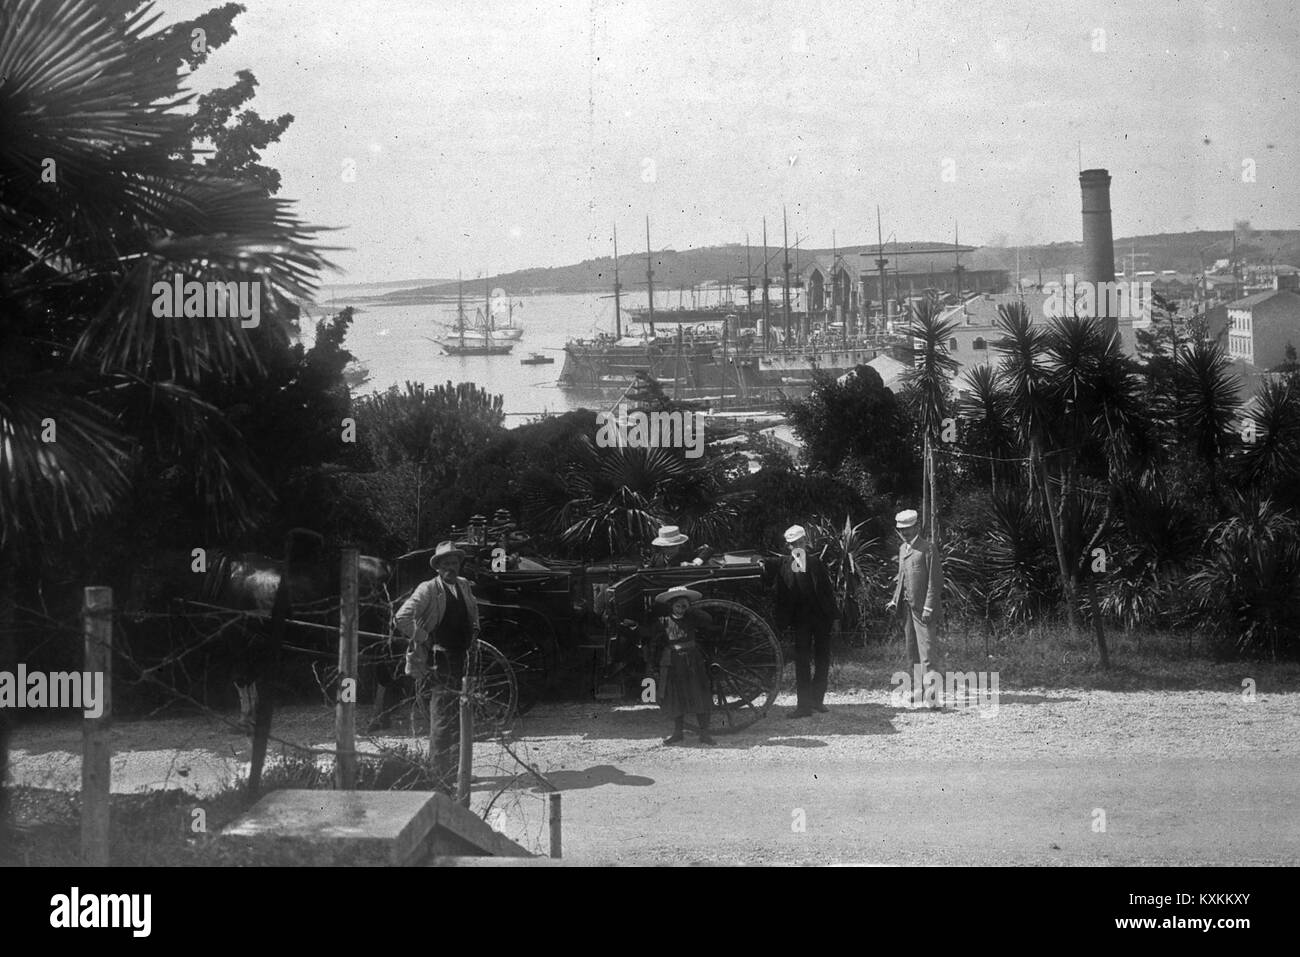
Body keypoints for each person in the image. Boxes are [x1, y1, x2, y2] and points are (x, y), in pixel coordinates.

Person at [394, 540, 480, 792]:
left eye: (454, 563)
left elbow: (473, 612)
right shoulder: (429, 589)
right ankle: (437, 776)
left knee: (458, 715)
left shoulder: (463, 585)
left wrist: (474, 632)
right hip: (438, 659)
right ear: (438, 567)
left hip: (461, 657)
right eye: (445, 564)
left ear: (459, 565)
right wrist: (424, 637)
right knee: (442, 716)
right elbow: (401, 617)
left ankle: (455, 771)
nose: (450, 568)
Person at [771, 524, 838, 718]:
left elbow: (827, 592)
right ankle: (803, 706)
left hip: (821, 618)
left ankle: (818, 700)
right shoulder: (783, 564)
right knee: (802, 661)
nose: (797, 547)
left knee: (823, 659)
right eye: (793, 544)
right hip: (800, 620)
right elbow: (767, 566)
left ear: (806, 543)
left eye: (800, 542)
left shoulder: (816, 563)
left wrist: (834, 618)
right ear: (788, 546)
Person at [885, 509, 943, 708]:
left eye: (908, 530)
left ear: (917, 527)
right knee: (912, 652)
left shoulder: (927, 548)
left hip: (923, 609)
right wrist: (894, 600)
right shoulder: (903, 549)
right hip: (907, 608)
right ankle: (918, 690)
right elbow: (902, 577)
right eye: (901, 530)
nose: (905, 534)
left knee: (927, 652)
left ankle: (933, 696)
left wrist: (928, 607)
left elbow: (935, 582)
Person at [645, 586, 716, 745]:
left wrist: (692, 608)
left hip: (693, 661)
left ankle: (704, 734)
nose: (681, 609)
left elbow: (708, 620)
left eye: (684, 605)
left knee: (699, 695)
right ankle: (678, 733)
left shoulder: (692, 618)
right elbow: (655, 643)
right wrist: (654, 665)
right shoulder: (663, 622)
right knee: (676, 698)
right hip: (674, 663)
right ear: (671, 606)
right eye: (678, 606)